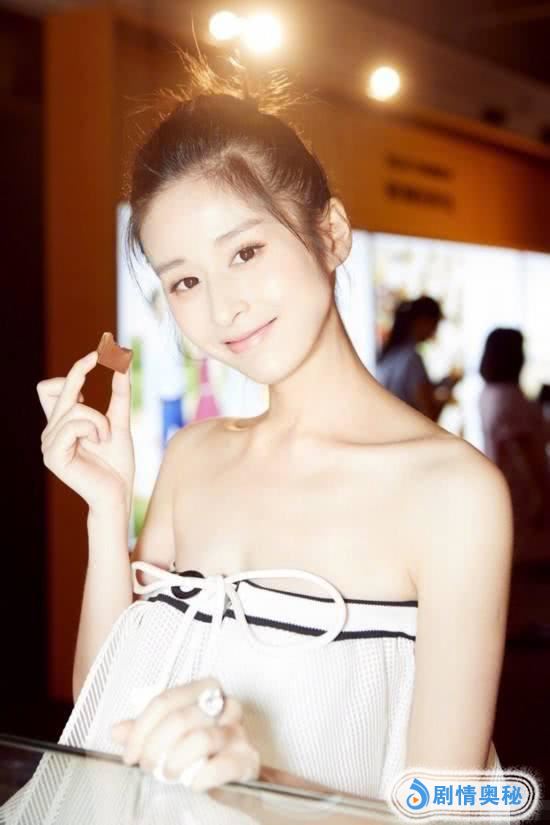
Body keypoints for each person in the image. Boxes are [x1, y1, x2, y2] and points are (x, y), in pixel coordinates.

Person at [34, 55, 511, 807]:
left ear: (332, 232)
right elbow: (102, 722)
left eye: (246, 251)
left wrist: (259, 787)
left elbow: (450, 809)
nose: (222, 307)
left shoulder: (453, 492)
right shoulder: (193, 457)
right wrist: (105, 508)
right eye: (185, 280)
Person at [479, 328, 550, 566]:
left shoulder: (488, 393)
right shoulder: (509, 397)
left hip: (503, 486)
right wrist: (542, 495)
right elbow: (525, 454)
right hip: (522, 493)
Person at [376, 296, 461, 421]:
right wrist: (448, 389)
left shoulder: (390, 355)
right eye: (434, 324)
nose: (435, 331)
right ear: (422, 321)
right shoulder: (412, 359)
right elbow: (429, 416)